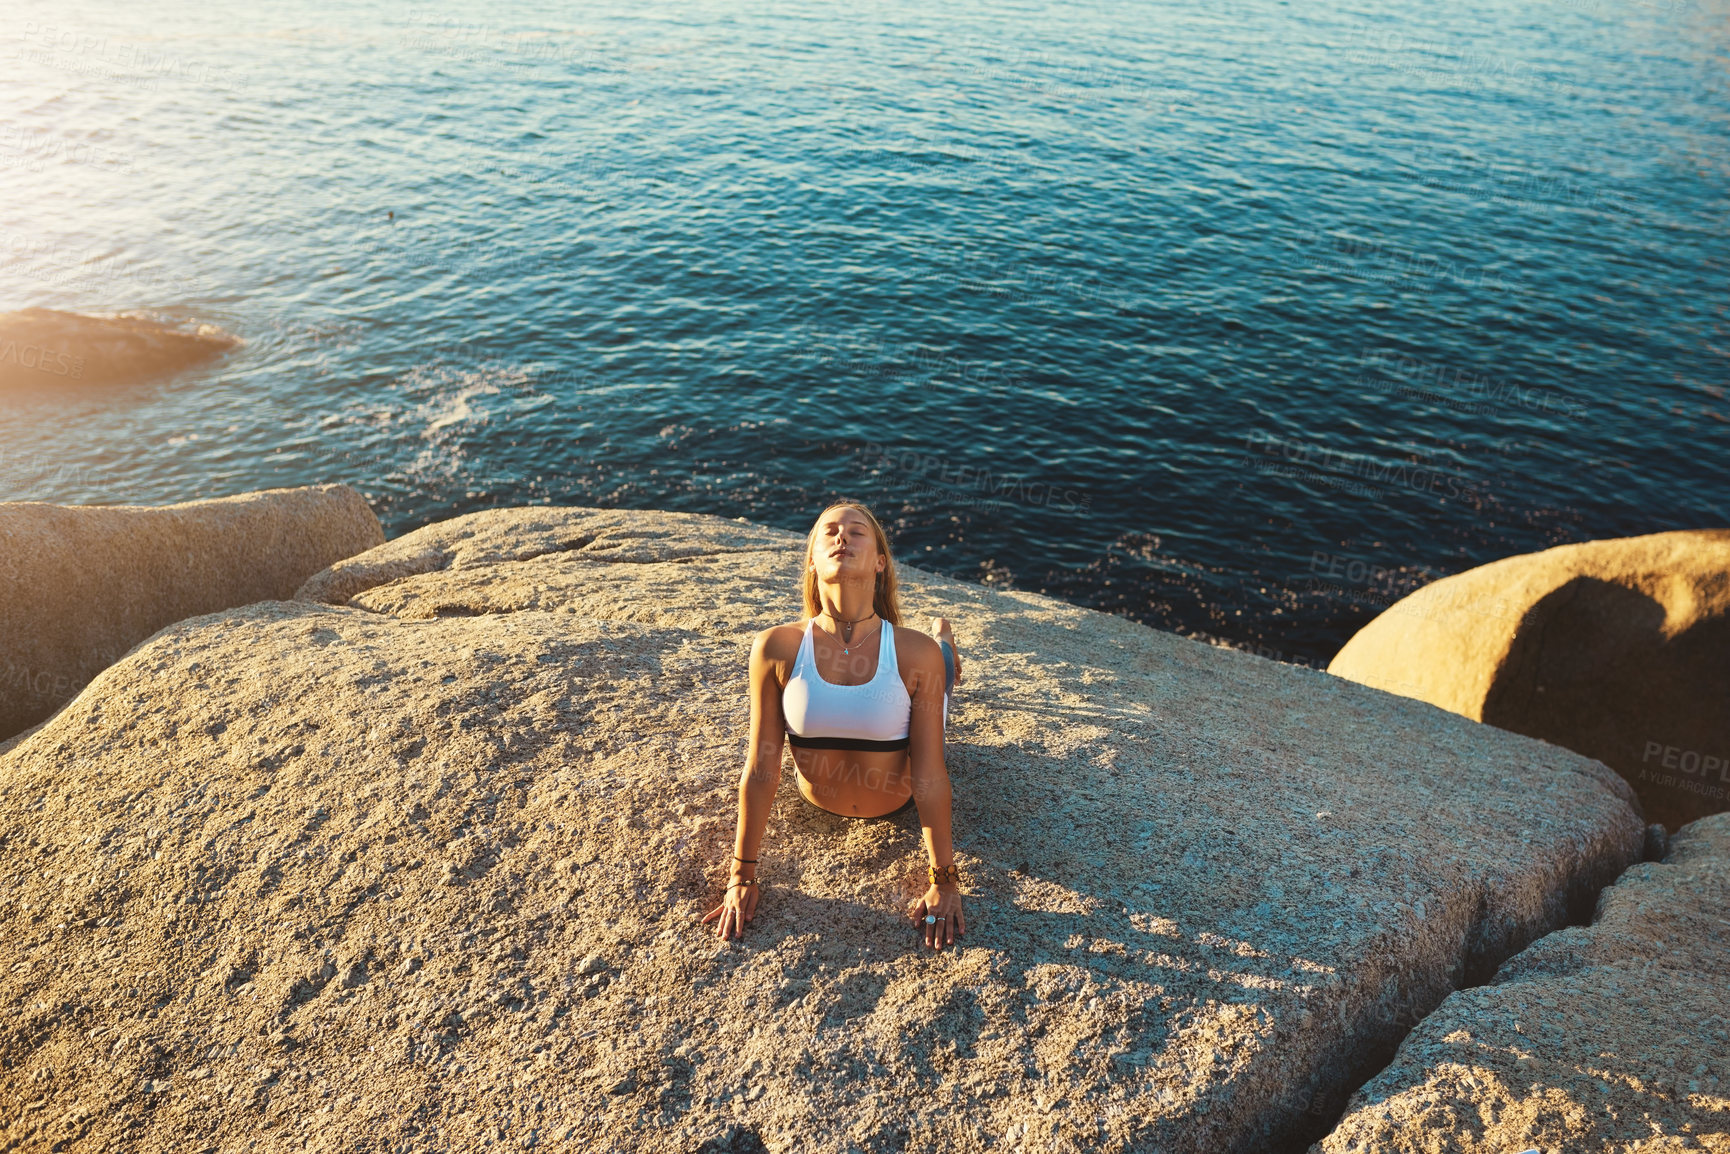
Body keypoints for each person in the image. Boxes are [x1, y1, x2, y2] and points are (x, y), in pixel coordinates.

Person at [701, 502, 967, 951]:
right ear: (811, 560)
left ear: (880, 562)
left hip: (896, 800)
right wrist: (740, 874)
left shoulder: (911, 652)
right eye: (829, 531)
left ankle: (946, 639)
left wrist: (944, 878)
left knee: (937, 669)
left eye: (857, 532)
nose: (842, 537)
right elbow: (762, 767)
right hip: (817, 800)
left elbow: (929, 774)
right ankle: (946, 645)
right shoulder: (777, 647)